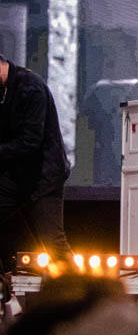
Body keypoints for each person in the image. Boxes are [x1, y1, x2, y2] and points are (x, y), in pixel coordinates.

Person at [0, 52, 72, 267]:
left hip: (43, 177)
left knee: (52, 242)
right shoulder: (5, 91)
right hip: (16, 176)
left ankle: (79, 292)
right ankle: (9, 283)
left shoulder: (30, 87)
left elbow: (31, 141)